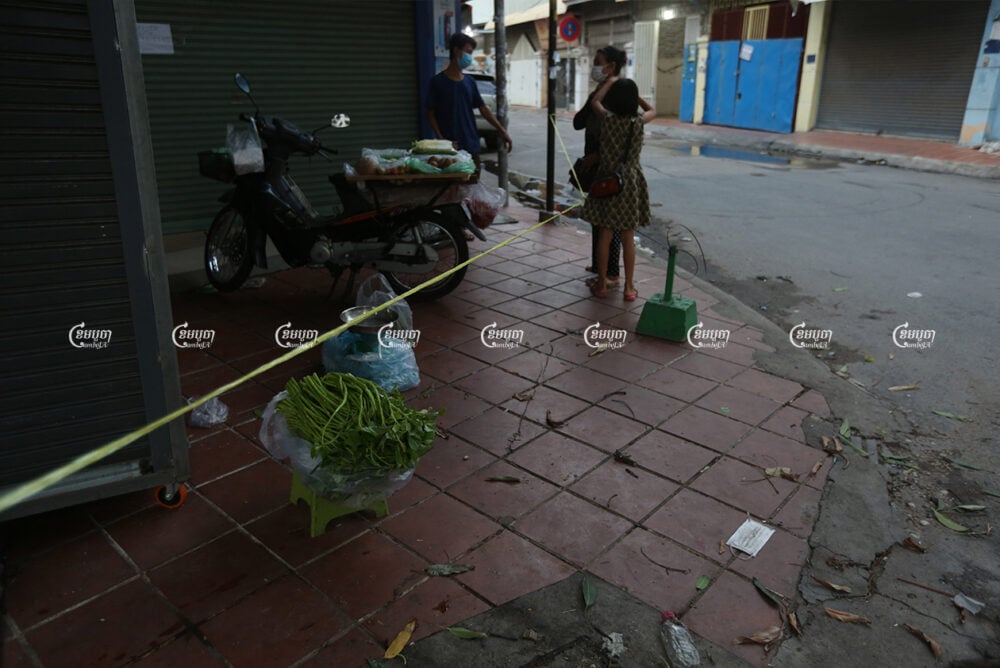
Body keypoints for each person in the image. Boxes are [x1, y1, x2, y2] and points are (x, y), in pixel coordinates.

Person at [573, 46, 655, 289]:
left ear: (611, 66)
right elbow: (651, 111)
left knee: (606, 229)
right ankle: (626, 283)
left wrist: (611, 85)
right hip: (628, 180)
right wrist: (631, 93)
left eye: (598, 62)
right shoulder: (637, 123)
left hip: (606, 174)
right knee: (621, 231)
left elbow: (597, 106)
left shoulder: (609, 117)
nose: (594, 67)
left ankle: (605, 277)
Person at [426, 33, 512, 168]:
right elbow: (430, 113)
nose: (469, 57)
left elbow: (484, 109)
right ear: (456, 50)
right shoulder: (437, 82)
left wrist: (502, 131)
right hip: (449, 149)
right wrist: (440, 137)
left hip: (471, 145)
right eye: (468, 52)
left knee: (474, 185)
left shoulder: (470, 82)